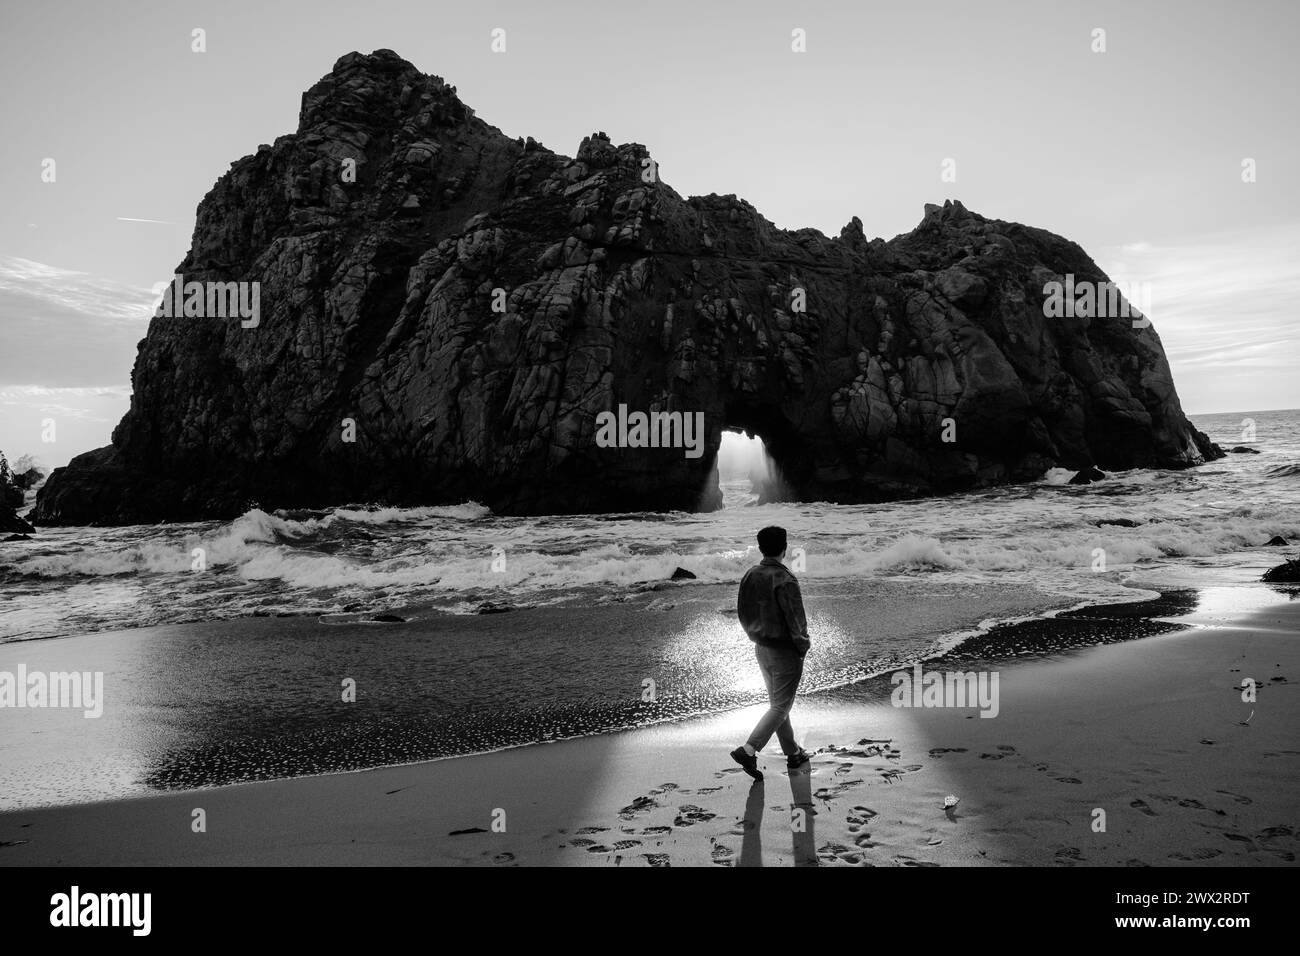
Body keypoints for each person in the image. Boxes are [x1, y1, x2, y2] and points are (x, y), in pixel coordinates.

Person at [730, 525, 812, 779]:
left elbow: (742, 613)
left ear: (760, 547)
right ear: (784, 548)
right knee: (780, 706)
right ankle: (749, 748)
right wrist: (803, 646)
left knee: (778, 705)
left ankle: (793, 753)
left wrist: (755, 637)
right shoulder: (786, 579)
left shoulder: (750, 575)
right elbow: (796, 620)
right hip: (784, 650)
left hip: (761, 648)